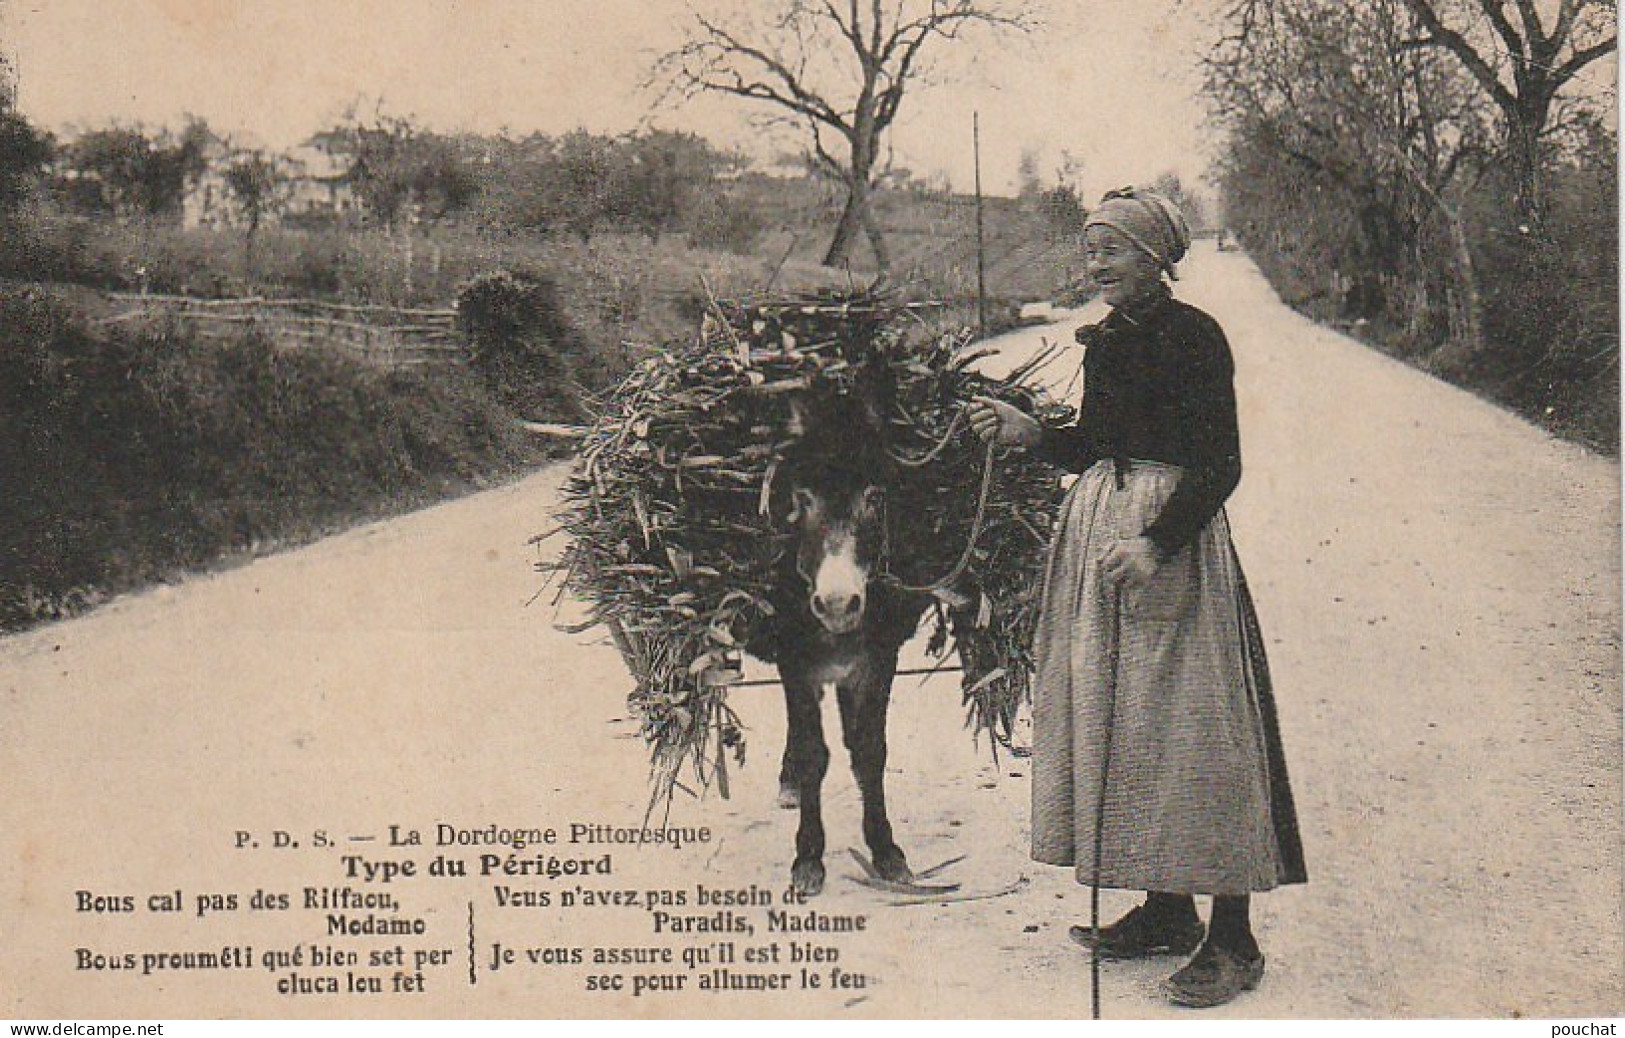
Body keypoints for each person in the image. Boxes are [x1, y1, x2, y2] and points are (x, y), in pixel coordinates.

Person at [968, 187, 1306, 1009]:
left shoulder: (1196, 337)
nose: (1094, 265)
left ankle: (1232, 937)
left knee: (1196, 729)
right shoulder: (1108, 341)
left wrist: (1156, 543)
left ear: (1156, 256)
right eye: (1088, 250)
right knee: (1124, 720)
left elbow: (1220, 464)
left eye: (1109, 249)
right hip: (1100, 542)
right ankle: (1164, 909)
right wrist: (1031, 435)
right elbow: (1096, 444)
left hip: (1170, 550)